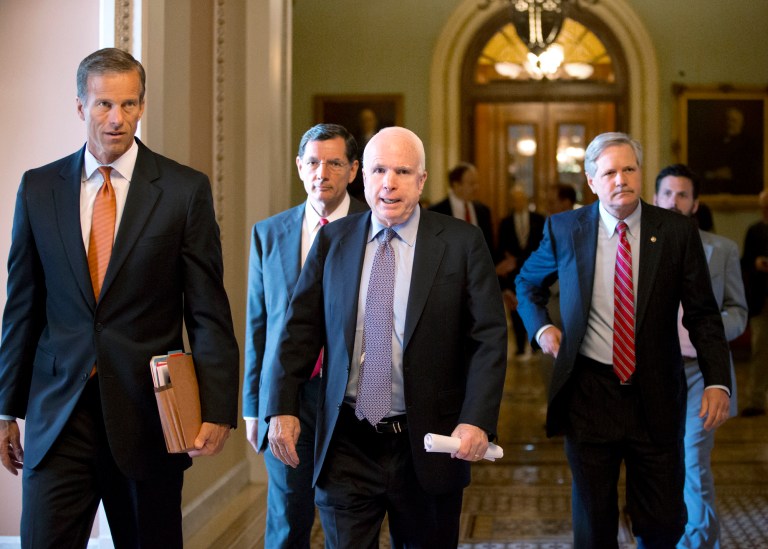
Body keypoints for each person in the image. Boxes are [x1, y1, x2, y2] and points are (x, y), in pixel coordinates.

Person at [0, 48, 240, 547]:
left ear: (142, 105)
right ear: (80, 107)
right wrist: (5, 408)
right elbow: (22, 306)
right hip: (59, 414)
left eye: (129, 104)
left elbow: (207, 310)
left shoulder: (182, 189)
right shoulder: (39, 187)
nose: (117, 118)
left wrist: (217, 408)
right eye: (105, 104)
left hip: (147, 416)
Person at [266, 126, 508, 547]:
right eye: (379, 170)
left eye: (402, 171)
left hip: (430, 446)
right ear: (363, 177)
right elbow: (298, 332)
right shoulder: (333, 240)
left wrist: (477, 419)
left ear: (422, 180)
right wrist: (281, 406)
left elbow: (488, 338)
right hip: (347, 442)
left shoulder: (460, 243)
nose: (389, 183)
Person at [515, 132, 732, 548]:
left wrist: (717, 381)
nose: (621, 179)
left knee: (664, 520)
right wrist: (541, 328)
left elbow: (704, 313)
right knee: (594, 524)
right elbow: (527, 282)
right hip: (589, 393)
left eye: (629, 169)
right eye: (609, 172)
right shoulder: (566, 229)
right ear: (592, 181)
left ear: (640, 173)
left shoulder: (674, 231)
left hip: (655, 393)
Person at [242, 123, 368, 548]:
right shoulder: (269, 233)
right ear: (299, 167)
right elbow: (260, 324)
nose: (322, 172)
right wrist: (254, 407)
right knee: (286, 520)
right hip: (287, 398)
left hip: (351, 398)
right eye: (313, 162)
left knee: (348, 522)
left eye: (334, 163)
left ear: (353, 170)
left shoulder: (377, 229)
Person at [654, 163, 747, 548]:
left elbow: (738, 312)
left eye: (682, 195)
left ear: (695, 203)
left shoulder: (721, 249)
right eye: (667, 194)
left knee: (693, 459)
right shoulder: (641, 246)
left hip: (701, 373)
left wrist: (706, 333)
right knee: (660, 463)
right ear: (655, 198)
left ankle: (698, 543)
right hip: (654, 371)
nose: (674, 202)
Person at [496, 185, 545, 360]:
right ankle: (519, 347)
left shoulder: (539, 220)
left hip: (535, 274)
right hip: (514, 277)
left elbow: (541, 248)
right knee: (516, 311)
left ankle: (536, 345)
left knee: (536, 309)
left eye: (521, 198)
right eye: (514, 199)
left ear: (526, 199)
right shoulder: (505, 223)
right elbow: (501, 251)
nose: (518, 202)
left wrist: (518, 259)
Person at [740, 190, 768, 417]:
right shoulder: (755, 231)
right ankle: (756, 400)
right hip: (761, 299)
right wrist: (756, 263)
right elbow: (745, 261)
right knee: (759, 350)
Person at [429, 162, 494, 251]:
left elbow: (489, 249)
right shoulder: (436, 212)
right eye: (472, 183)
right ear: (456, 185)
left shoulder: (483, 211)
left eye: (477, 183)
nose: (476, 187)